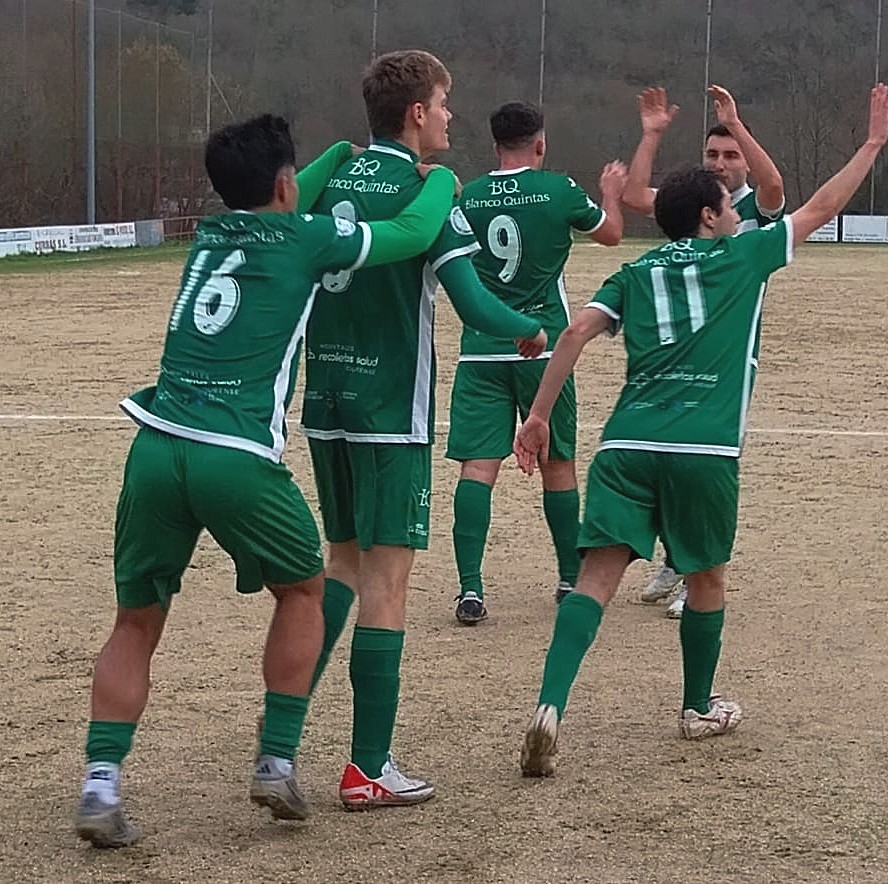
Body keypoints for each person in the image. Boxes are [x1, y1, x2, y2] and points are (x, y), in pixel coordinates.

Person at [73, 113, 459, 847]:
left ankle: (100, 781)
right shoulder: (306, 237)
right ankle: (277, 758)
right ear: (285, 184)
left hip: (156, 443)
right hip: (236, 453)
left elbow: (281, 192)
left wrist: (324, 163)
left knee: (135, 620)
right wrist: (439, 180)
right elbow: (410, 233)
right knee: (306, 589)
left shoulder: (212, 234)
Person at [513, 84, 888, 777]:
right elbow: (823, 206)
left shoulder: (633, 271)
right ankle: (696, 707)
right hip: (702, 450)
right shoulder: (742, 257)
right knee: (707, 580)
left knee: (596, 579)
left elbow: (572, 332)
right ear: (716, 216)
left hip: (626, 446)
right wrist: (869, 144)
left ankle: (550, 704)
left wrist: (537, 416)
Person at [299, 51, 547, 809]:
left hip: (326, 404)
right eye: (442, 103)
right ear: (415, 113)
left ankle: (278, 743)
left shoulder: (332, 176)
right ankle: (368, 767)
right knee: (388, 582)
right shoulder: (429, 192)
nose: (448, 115)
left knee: (338, 566)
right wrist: (531, 331)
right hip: (387, 411)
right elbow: (476, 309)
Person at [446, 101, 627, 625]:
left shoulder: (470, 195)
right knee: (559, 464)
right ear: (540, 143)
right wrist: (611, 195)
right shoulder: (560, 190)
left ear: (495, 144)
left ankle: (470, 588)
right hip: (545, 349)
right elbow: (611, 233)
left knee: (478, 468)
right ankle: (570, 578)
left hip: (481, 348)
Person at [622, 85, 787, 619]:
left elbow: (775, 184)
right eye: (713, 154)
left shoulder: (750, 211)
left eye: (730, 154)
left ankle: (700, 577)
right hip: (679, 359)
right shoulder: (694, 204)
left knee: (714, 465)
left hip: (731, 360)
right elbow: (634, 196)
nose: (720, 162)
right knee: (674, 458)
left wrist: (736, 124)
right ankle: (677, 559)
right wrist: (651, 136)